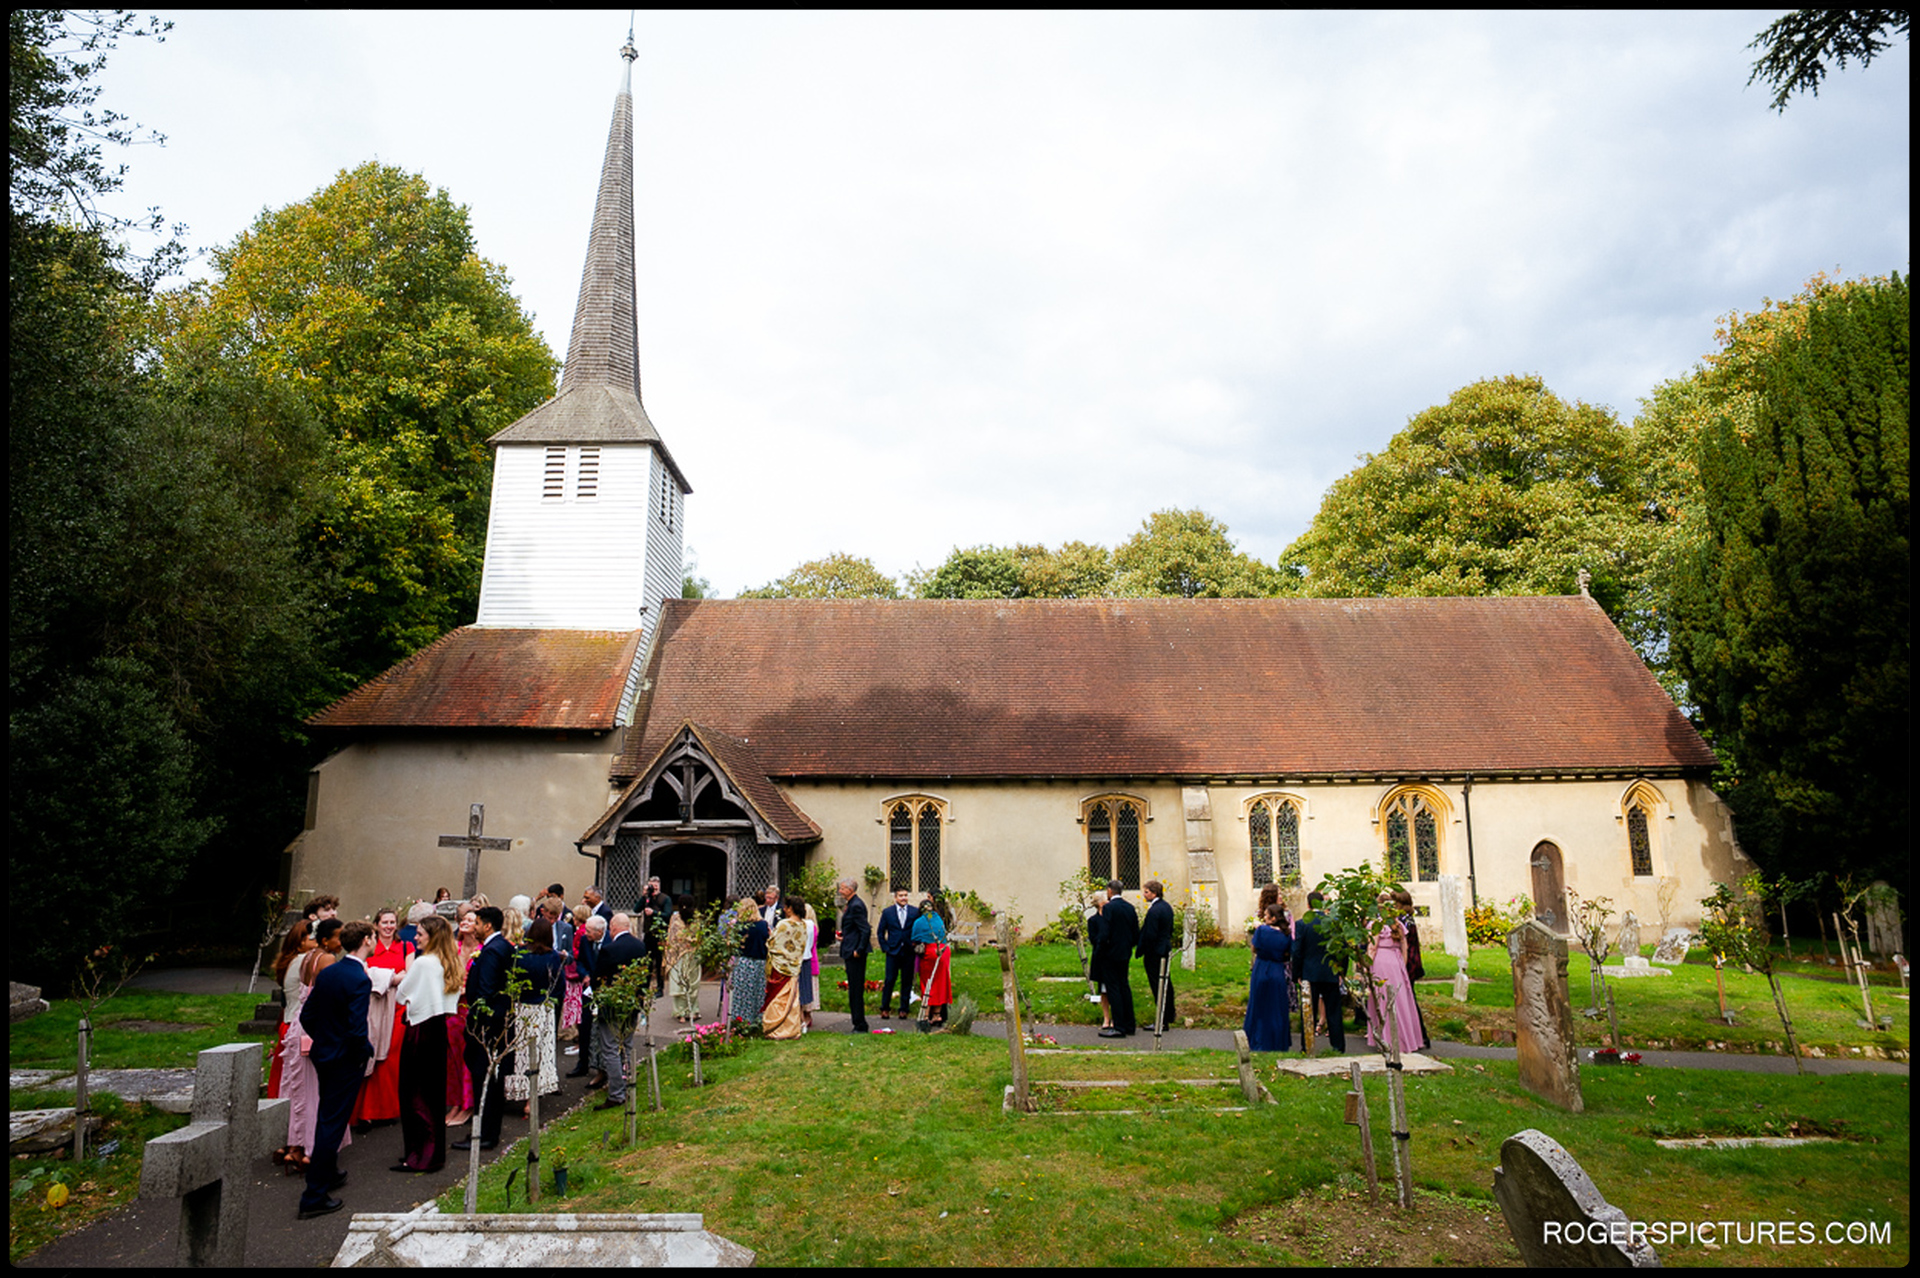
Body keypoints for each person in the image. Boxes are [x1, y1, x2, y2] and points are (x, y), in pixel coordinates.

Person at [296, 920, 375, 1220]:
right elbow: (356, 1029)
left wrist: (326, 1041)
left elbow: (308, 1015)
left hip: (325, 1053)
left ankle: (328, 1173)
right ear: (366, 940)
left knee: (329, 1116)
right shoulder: (358, 978)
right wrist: (360, 1052)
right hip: (344, 1059)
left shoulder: (330, 972)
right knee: (332, 1122)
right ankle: (313, 1195)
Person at [393, 915, 461, 1172]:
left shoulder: (424, 964)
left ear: (432, 936)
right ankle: (432, 1154)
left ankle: (420, 1156)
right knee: (433, 1093)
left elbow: (401, 995)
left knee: (414, 1094)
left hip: (420, 1029)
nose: (416, 937)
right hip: (438, 1028)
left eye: (420, 933)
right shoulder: (449, 961)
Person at [454, 906, 513, 1152]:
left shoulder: (491, 951)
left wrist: (476, 1026)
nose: (473, 927)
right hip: (498, 1025)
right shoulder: (505, 946)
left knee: (485, 1081)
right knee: (491, 1081)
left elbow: (486, 993)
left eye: (476, 922)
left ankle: (485, 1134)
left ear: (487, 925)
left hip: (487, 1028)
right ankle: (487, 1131)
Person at [351, 908, 410, 1131]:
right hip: (372, 1005)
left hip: (396, 1008)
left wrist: (386, 978)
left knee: (389, 1061)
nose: (388, 926)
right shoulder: (371, 947)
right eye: (384, 922)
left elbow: (409, 974)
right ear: (376, 924)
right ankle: (362, 1112)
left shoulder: (405, 946)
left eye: (392, 922)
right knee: (369, 1057)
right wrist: (391, 977)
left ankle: (385, 1110)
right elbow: (364, 971)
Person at [507, 917, 564, 1104]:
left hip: (521, 1007)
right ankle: (533, 1096)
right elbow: (558, 984)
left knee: (520, 1051)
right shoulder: (552, 956)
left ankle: (518, 1089)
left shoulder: (519, 954)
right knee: (540, 1050)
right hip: (542, 1008)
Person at [591, 913, 646, 1108]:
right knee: (628, 1044)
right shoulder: (640, 946)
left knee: (610, 1048)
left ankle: (616, 1092)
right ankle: (628, 1081)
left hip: (613, 1005)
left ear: (613, 927)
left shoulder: (609, 950)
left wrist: (598, 998)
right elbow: (644, 977)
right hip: (632, 1003)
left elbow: (598, 978)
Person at [1365, 893, 1423, 1056]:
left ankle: (1386, 1040)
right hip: (1396, 962)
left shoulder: (1376, 925)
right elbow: (1404, 948)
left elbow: (1372, 948)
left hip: (1381, 962)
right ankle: (1406, 1039)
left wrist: (1366, 968)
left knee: (1382, 1000)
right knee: (1401, 1000)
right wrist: (1401, 966)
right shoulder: (1398, 924)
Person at [1291, 891, 1346, 1053]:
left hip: (1310, 973)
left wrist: (1297, 974)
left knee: (1308, 1012)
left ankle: (1306, 1046)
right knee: (1334, 1013)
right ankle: (1338, 1047)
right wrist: (1341, 972)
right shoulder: (1334, 923)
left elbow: (1297, 951)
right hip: (1330, 972)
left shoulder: (1302, 924)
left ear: (1308, 905)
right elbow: (1342, 949)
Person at [268, 920, 313, 1104]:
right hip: (297, 1027)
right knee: (296, 1079)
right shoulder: (304, 961)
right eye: (313, 936)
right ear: (301, 941)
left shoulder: (292, 960)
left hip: (288, 1024)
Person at [1243, 902, 1294, 1052]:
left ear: (1272, 918)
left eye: (1266, 915)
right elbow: (1288, 954)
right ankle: (1277, 1042)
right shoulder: (1286, 935)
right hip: (1277, 970)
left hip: (1261, 968)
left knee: (1258, 1005)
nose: (1264, 918)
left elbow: (1254, 948)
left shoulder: (1262, 931)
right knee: (1276, 1008)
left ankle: (1256, 1040)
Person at [1391, 888, 1433, 1050]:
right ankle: (1417, 1035)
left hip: (1409, 964)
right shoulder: (1407, 919)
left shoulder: (1403, 921)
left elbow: (1404, 944)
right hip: (1412, 963)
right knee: (1409, 1000)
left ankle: (1419, 1035)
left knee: (1410, 1001)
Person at [762, 897, 809, 1039]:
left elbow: (774, 943)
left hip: (780, 966)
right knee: (792, 999)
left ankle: (775, 1029)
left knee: (777, 998)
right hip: (794, 966)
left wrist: (770, 937)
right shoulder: (803, 925)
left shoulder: (783, 924)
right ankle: (792, 1028)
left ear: (790, 908)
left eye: (786, 907)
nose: (784, 909)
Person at [1096, 881, 1139, 1037]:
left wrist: (1100, 949)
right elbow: (1135, 931)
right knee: (1124, 986)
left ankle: (1119, 1026)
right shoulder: (1129, 908)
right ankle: (1129, 1024)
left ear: (1109, 891)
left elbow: (1104, 931)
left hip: (1110, 953)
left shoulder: (1109, 908)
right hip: (1124, 952)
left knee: (1113, 988)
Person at [567, 914, 606, 1078]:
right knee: (584, 1026)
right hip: (588, 989)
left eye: (589, 931)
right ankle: (582, 1063)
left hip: (604, 989)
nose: (586, 934)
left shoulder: (610, 942)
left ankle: (601, 1066)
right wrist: (584, 975)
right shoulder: (585, 941)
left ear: (600, 932)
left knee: (602, 1028)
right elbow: (580, 962)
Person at [1137, 880, 1176, 1033]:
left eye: (1146, 892)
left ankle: (1162, 1019)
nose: (1144, 895)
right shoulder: (1166, 907)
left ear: (1154, 893)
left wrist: (1141, 949)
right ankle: (1167, 1016)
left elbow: (1150, 934)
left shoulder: (1155, 911)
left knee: (1158, 985)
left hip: (1155, 952)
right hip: (1164, 949)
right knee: (1165, 983)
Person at [910, 897, 952, 1027]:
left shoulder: (920, 921)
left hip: (931, 952)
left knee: (927, 982)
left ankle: (926, 1015)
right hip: (943, 951)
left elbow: (914, 938)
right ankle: (937, 1015)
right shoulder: (938, 919)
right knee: (940, 983)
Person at [837, 878, 872, 1033]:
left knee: (856, 989)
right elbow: (855, 929)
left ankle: (860, 1023)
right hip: (850, 947)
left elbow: (865, 929)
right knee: (853, 988)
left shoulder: (856, 905)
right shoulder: (851, 904)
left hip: (855, 952)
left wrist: (859, 949)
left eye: (843, 888)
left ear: (851, 890)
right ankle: (857, 1021)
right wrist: (845, 936)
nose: (840, 891)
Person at [876, 887, 916, 1020]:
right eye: (900, 896)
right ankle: (885, 1008)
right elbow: (880, 932)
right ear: (895, 897)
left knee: (907, 981)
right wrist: (885, 947)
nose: (903, 898)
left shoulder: (914, 912)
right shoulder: (888, 912)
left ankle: (904, 1009)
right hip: (893, 951)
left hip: (909, 951)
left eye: (905, 895)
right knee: (890, 980)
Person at [730, 898, 770, 1027]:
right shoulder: (763, 925)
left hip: (743, 962)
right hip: (759, 963)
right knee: (758, 994)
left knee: (742, 995)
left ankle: (741, 1021)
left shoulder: (739, 926)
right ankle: (758, 1021)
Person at [665, 895, 701, 1022]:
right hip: (691, 954)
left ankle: (681, 1012)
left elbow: (671, 936)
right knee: (692, 984)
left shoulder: (675, 918)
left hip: (679, 955)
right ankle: (692, 1011)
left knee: (680, 983)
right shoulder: (697, 918)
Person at [640, 876, 671, 996]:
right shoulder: (647, 898)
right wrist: (644, 896)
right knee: (647, 961)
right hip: (648, 933)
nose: (654, 887)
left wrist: (654, 913)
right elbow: (636, 909)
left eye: (656, 885)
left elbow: (667, 914)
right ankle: (646, 985)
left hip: (660, 934)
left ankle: (660, 988)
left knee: (659, 962)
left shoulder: (665, 899)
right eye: (652, 885)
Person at [1087, 891, 1112, 1030]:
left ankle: (1115, 1017)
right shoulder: (1093, 921)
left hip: (1112, 956)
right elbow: (1094, 939)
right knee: (1103, 990)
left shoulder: (1111, 918)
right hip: (1101, 957)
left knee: (1113, 989)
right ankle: (1106, 1018)